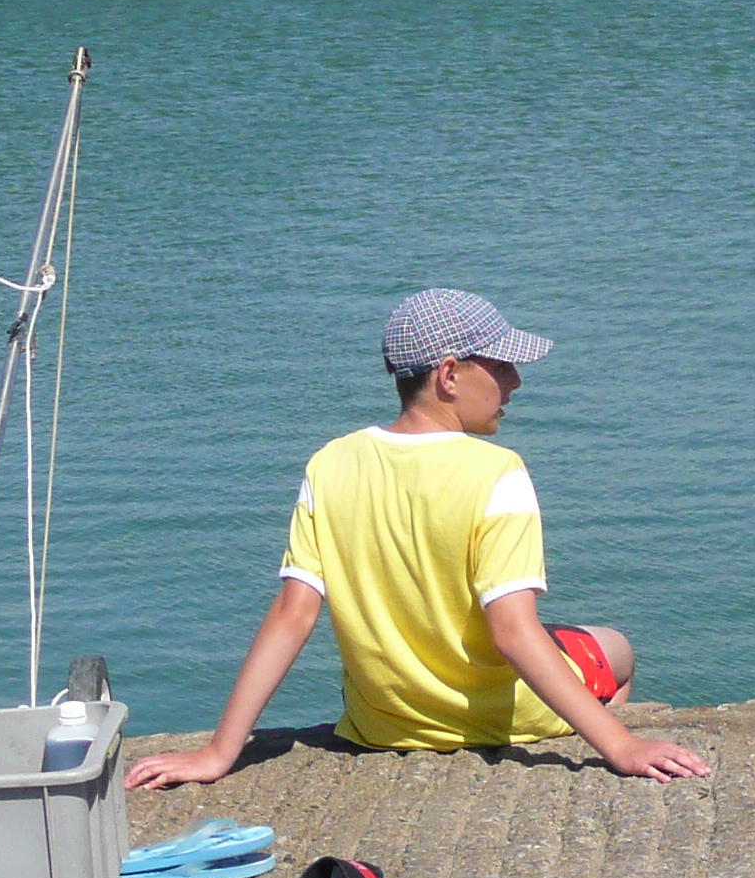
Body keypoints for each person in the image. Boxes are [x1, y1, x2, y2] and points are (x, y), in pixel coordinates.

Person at [125, 290, 711, 787]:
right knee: (616, 647)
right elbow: (512, 632)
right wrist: (622, 748)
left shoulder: (330, 463)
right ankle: (572, 728)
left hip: (383, 726)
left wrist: (219, 753)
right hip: (491, 716)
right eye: (502, 366)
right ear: (450, 375)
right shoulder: (496, 471)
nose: (516, 383)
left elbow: (292, 615)